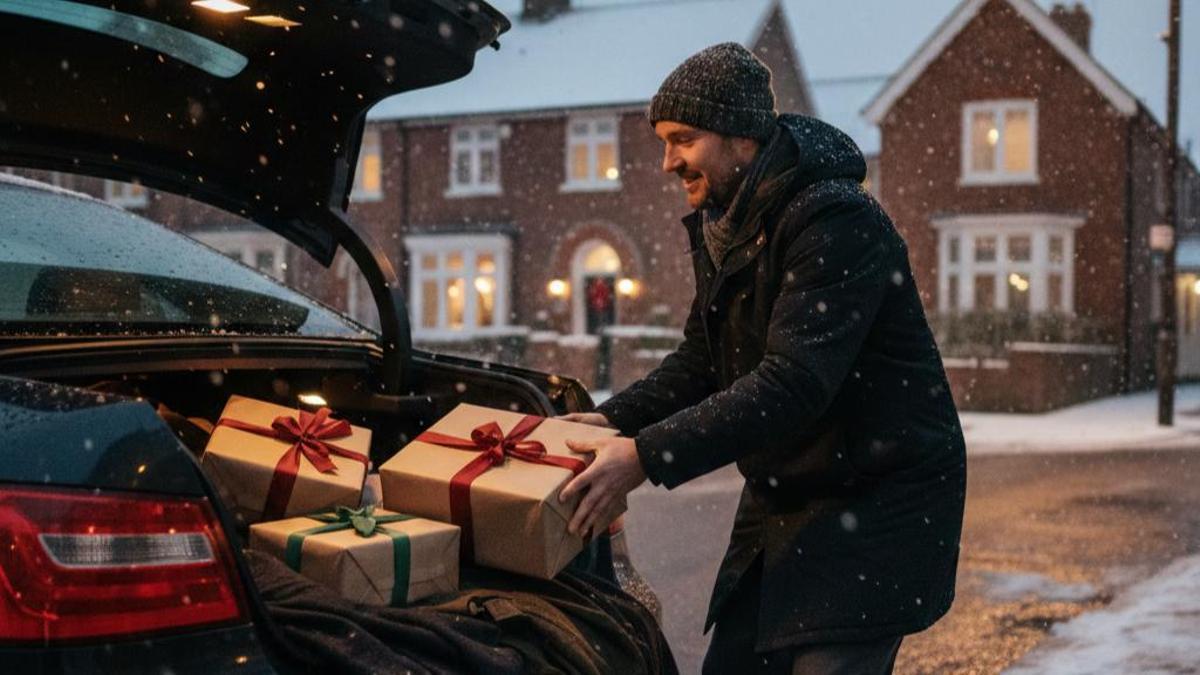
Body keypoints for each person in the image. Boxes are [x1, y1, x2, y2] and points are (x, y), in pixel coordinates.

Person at [557, 42, 966, 674]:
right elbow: (703, 358)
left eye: (684, 139)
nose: (668, 161)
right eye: (664, 142)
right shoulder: (727, 222)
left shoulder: (834, 221)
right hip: (788, 496)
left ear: (742, 137)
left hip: (875, 502)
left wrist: (644, 457)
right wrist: (615, 421)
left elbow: (794, 382)